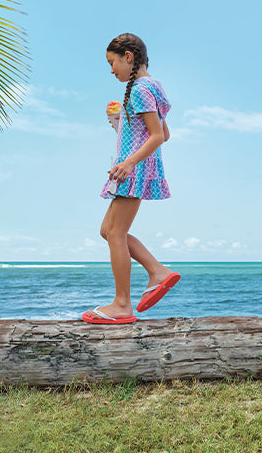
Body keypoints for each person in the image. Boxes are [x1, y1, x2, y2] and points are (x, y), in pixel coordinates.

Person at [82, 33, 180, 324]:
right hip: (134, 166)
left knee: (115, 233)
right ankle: (156, 271)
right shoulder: (150, 87)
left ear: (129, 57)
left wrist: (127, 162)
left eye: (113, 63)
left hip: (132, 169)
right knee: (109, 230)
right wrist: (120, 124)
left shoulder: (139, 88)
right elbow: (162, 133)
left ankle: (122, 305)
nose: (112, 70)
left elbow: (159, 136)